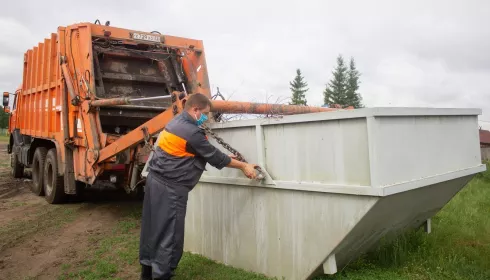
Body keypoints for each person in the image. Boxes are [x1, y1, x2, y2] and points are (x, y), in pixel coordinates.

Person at [139, 93, 258, 280]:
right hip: (171, 189)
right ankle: (162, 276)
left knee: (152, 230)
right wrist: (243, 165)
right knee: (169, 236)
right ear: (195, 110)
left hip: (155, 182)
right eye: (205, 113)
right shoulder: (192, 131)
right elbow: (212, 155)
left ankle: (147, 274)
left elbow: (193, 151)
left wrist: (226, 159)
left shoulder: (175, 123)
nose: (206, 117)